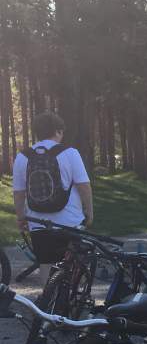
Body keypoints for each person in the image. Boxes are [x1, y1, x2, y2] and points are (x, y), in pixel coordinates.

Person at [12, 111, 94, 284]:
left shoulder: (22, 157)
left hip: (38, 221)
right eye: (62, 131)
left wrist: (21, 217)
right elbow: (84, 186)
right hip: (70, 221)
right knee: (73, 262)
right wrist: (89, 212)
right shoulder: (70, 153)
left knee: (46, 263)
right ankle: (70, 303)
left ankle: (49, 303)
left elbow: (19, 193)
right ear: (57, 131)